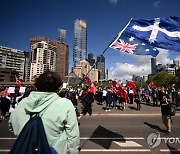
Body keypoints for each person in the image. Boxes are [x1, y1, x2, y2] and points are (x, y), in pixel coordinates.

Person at [9, 71, 80, 154]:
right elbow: (73, 136)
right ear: (58, 86)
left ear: (38, 85)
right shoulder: (65, 104)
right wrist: (74, 152)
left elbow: (12, 127)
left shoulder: (22, 103)